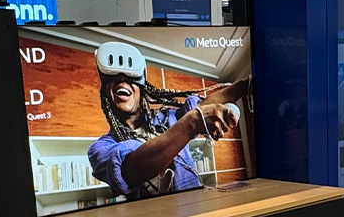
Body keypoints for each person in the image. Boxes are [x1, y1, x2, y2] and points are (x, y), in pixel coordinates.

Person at [86, 41, 249, 200]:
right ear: (106, 93)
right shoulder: (100, 149)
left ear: (142, 89)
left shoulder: (166, 119)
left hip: (197, 210)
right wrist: (191, 122)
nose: (122, 81)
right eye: (113, 78)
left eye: (130, 78)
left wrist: (246, 85)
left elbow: (202, 106)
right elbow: (132, 168)